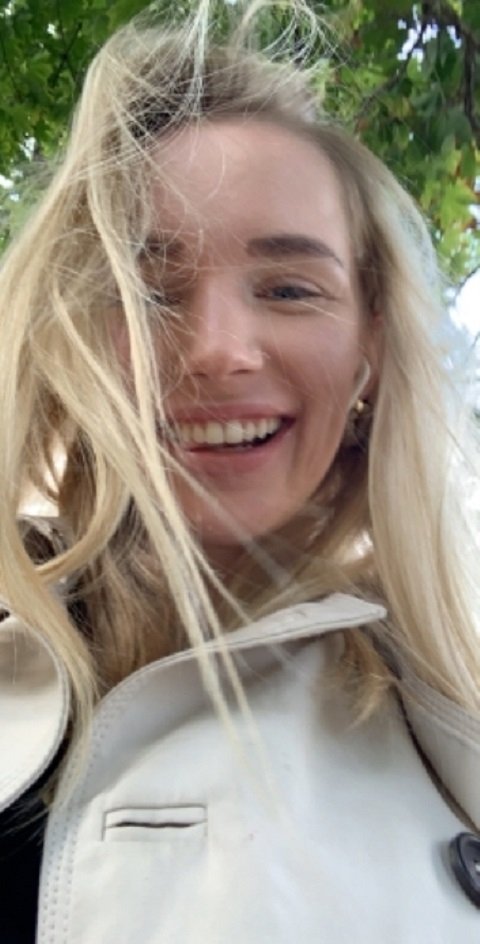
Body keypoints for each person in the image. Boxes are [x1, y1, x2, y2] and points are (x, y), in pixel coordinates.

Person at [1, 1, 479, 940]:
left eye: (290, 288)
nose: (219, 351)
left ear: (371, 345)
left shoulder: (450, 715)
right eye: (147, 289)